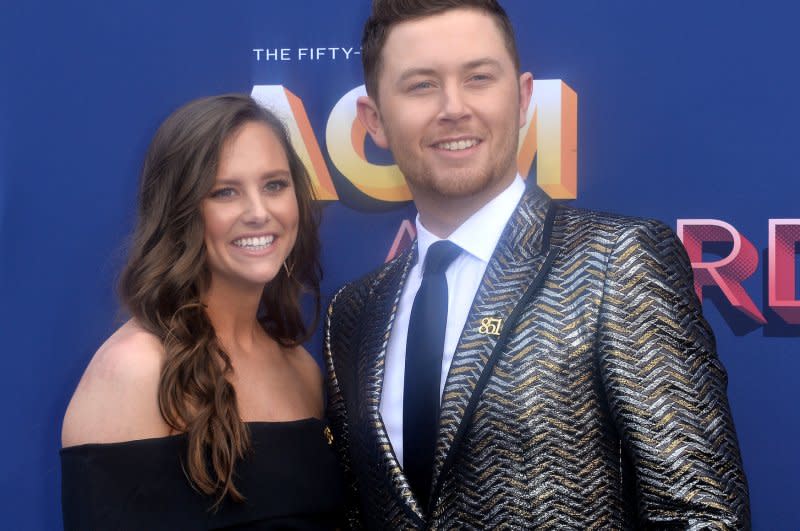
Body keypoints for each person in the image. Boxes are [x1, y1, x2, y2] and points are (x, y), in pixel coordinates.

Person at [324, 1, 750, 529]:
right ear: (375, 120)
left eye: (479, 77)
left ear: (523, 97)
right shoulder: (353, 313)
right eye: (421, 85)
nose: (453, 107)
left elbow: (703, 516)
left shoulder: (616, 261)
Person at [60, 94, 344, 529]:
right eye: (224, 192)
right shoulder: (135, 370)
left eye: (274, 185)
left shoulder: (301, 370)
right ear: (181, 212)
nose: (258, 212)